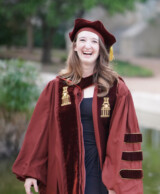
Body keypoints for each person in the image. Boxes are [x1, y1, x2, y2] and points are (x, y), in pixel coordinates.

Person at [12, 18, 143, 194]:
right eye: (82, 40)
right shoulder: (57, 87)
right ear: (74, 47)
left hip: (100, 173)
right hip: (63, 170)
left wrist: (117, 184)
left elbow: (125, 137)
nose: (87, 46)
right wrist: (31, 172)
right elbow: (40, 131)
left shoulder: (116, 89)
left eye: (93, 41)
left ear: (101, 49)